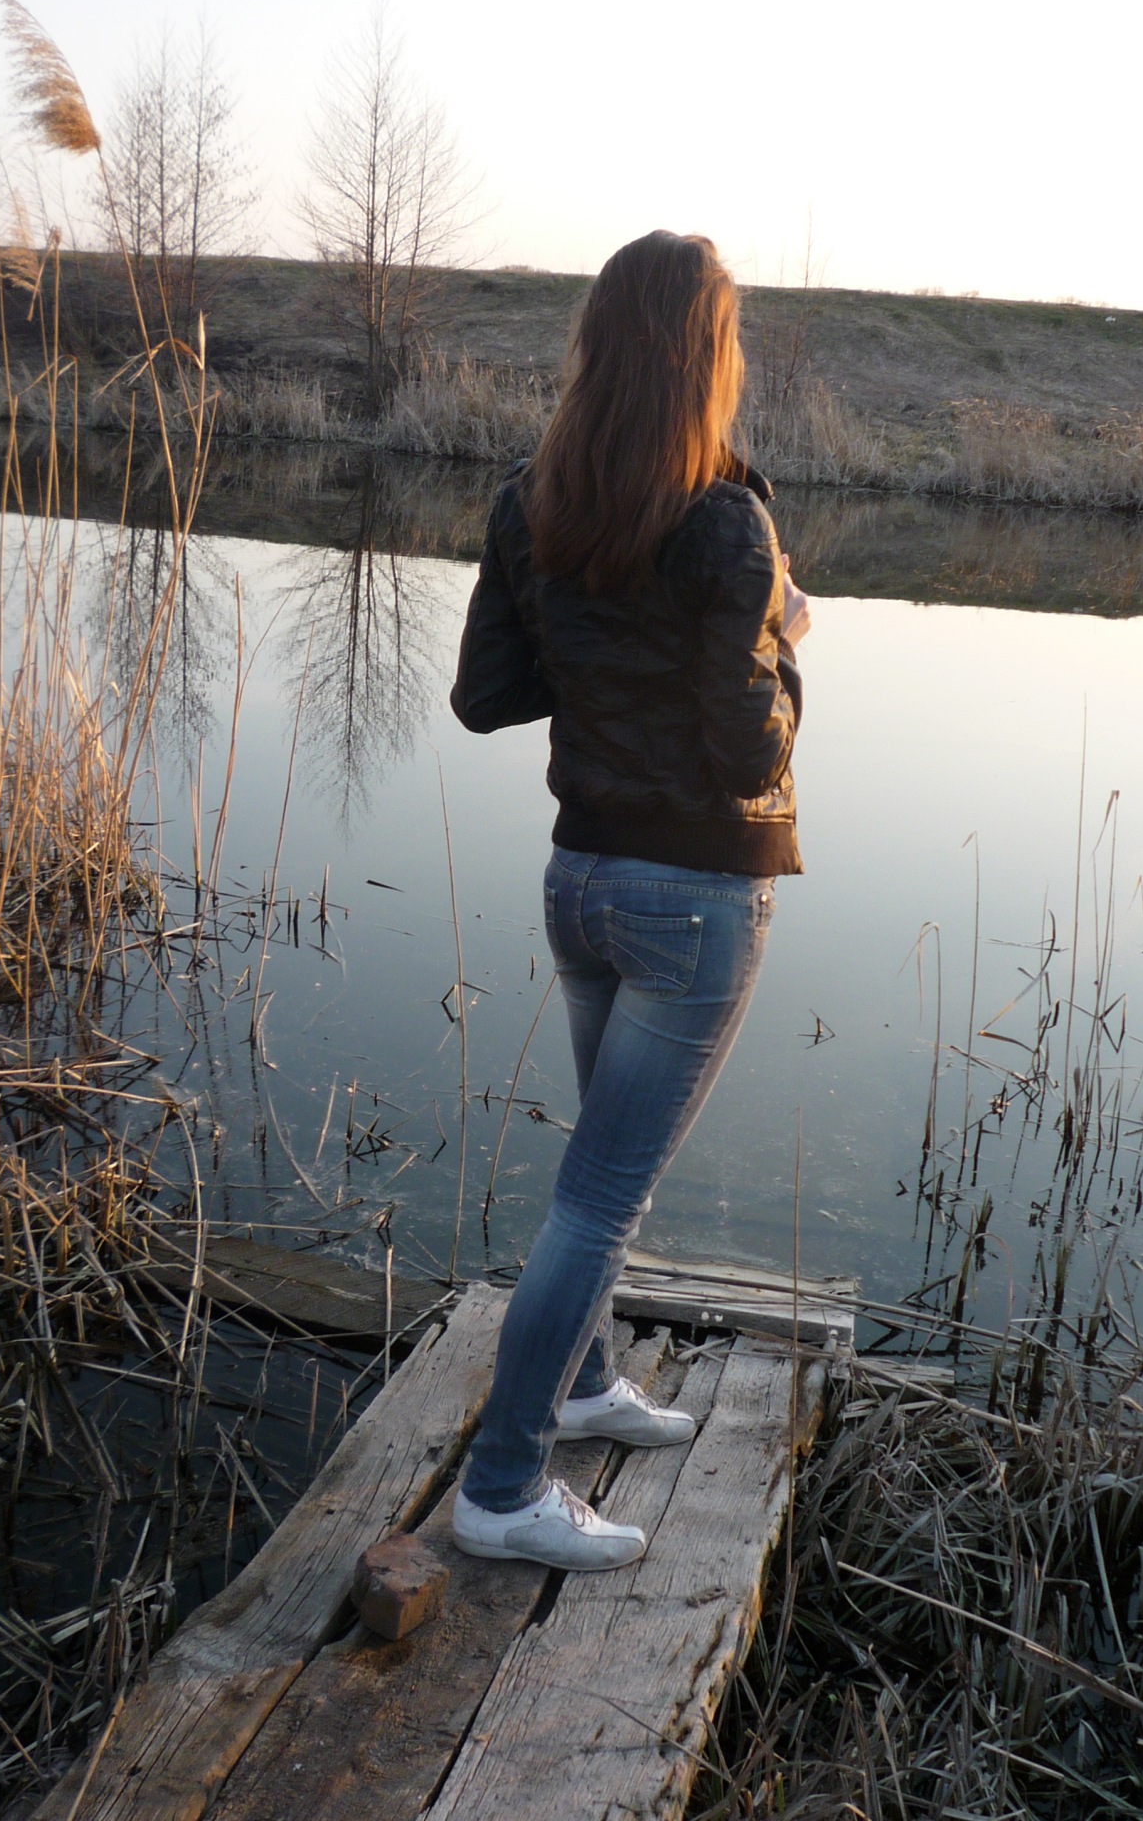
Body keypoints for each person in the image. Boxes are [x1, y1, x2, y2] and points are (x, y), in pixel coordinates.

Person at [448, 230, 809, 1570]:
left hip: (581, 882)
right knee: (600, 1202)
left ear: (597, 347)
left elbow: (487, 695)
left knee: (595, 1175)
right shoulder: (727, 524)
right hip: (693, 902)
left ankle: (585, 1384)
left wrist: (603, 646)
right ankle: (501, 1488)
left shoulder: (532, 502)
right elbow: (750, 755)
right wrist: (778, 631)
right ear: (707, 356)